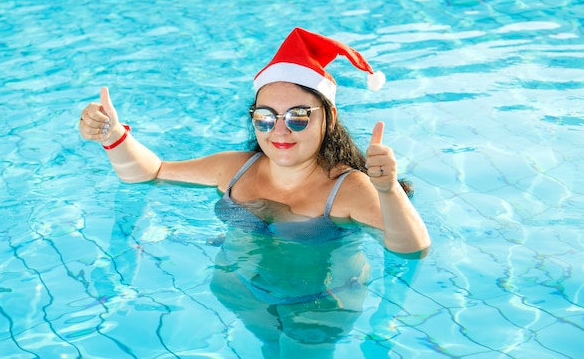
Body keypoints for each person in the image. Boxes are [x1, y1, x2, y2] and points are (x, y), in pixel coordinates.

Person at [79, 27, 431, 357]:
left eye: (298, 116)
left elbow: (412, 249)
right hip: (238, 289)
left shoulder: (348, 188)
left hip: (319, 305)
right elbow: (152, 173)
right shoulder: (236, 168)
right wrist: (113, 137)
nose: (279, 130)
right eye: (265, 117)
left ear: (330, 117)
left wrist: (387, 191)